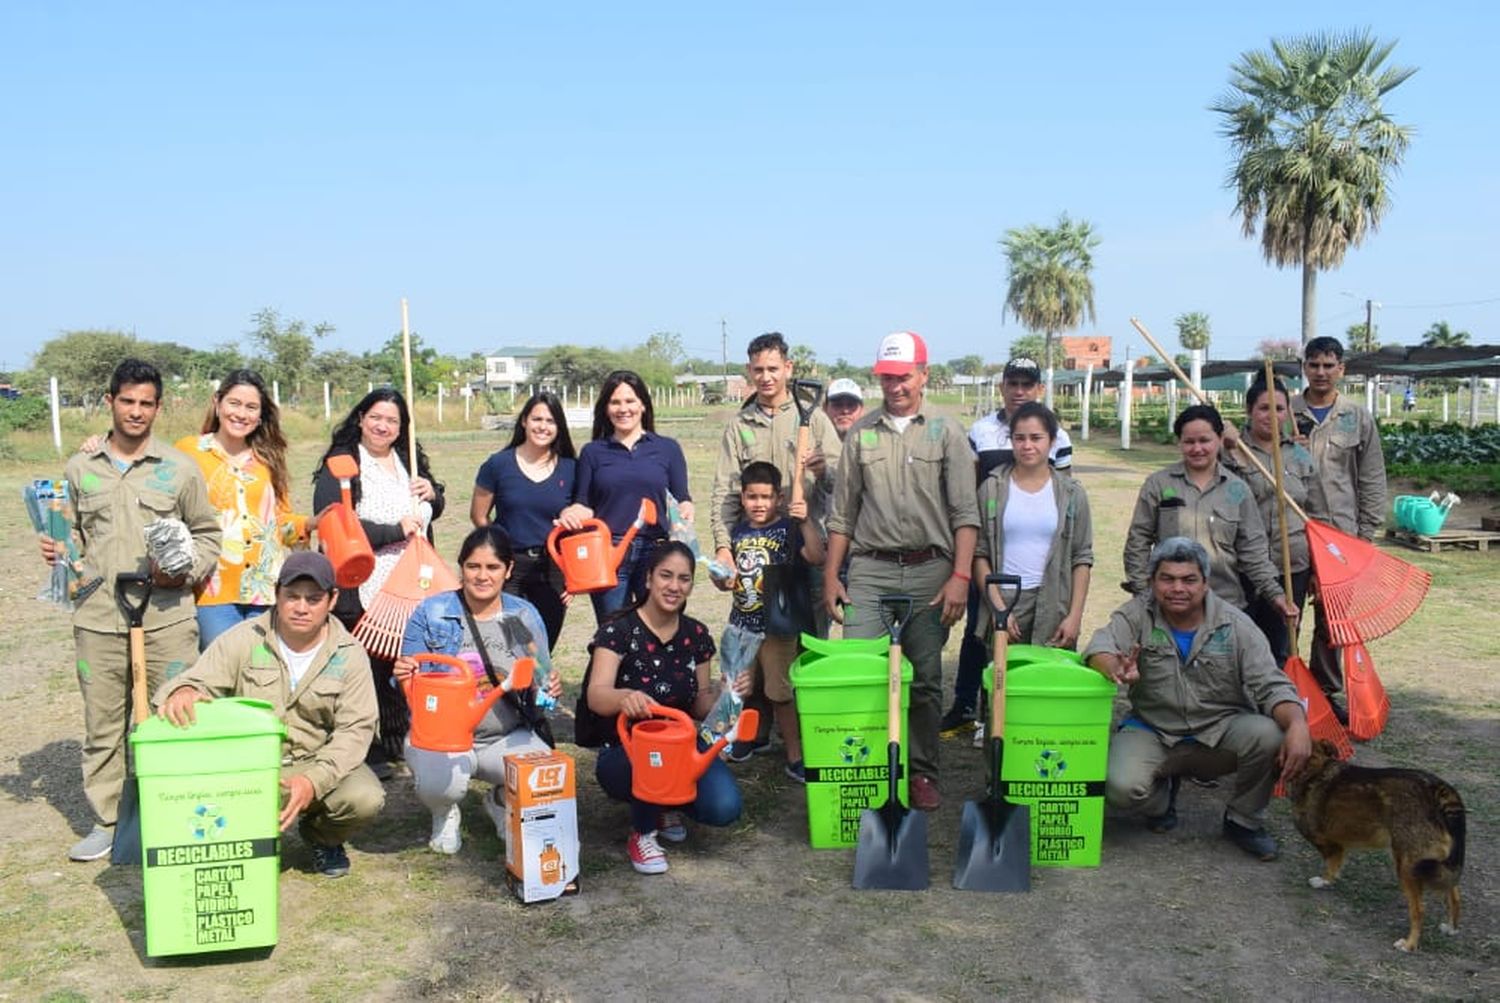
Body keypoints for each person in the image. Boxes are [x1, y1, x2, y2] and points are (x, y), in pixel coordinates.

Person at [40, 358, 220, 862]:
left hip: (166, 617)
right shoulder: (81, 467)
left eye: (146, 403)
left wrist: (183, 570)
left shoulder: (179, 470)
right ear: (110, 402)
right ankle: (110, 820)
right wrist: (57, 550)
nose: (136, 412)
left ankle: (180, 814)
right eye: (127, 401)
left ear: (158, 407)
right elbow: (68, 534)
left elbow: (207, 534)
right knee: (103, 724)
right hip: (98, 618)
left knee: (177, 717)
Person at [154, 552, 384, 878]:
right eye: (292, 597)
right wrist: (183, 691)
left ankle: (321, 837)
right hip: (250, 768)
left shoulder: (350, 654)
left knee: (365, 797)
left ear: (332, 600)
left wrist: (312, 781)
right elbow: (194, 679)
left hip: (314, 763)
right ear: (276, 594)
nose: (301, 608)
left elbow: (356, 731)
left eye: (313, 599)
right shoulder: (245, 638)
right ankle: (246, 837)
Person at [825, 331, 979, 812]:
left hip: (931, 571)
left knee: (927, 678)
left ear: (924, 374)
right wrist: (833, 575)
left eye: (904, 377)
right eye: (887, 378)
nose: (895, 386)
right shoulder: (861, 433)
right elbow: (842, 515)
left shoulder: (947, 432)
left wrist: (960, 576)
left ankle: (922, 771)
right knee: (862, 671)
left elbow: (965, 514)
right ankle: (868, 768)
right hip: (870, 571)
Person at [1085, 537, 1310, 860]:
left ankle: (1243, 820)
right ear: (1152, 582)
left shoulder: (1236, 625)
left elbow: (1272, 684)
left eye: (1189, 580)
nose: (1178, 588)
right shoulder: (1136, 614)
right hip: (1153, 729)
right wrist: (1113, 665)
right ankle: (1161, 798)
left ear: (1205, 584)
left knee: (1272, 734)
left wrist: (1298, 723)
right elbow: (1099, 646)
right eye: (1167, 579)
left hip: (1218, 732)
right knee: (1118, 786)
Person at [395, 526, 563, 855]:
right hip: (444, 739)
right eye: (473, 566)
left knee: (544, 774)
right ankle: (444, 812)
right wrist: (405, 675)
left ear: (508, 570)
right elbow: (411, 688)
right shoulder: (432, 612)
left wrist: (550, 689)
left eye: (492, 567)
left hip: (504, 735)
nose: (482, 576)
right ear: (461, 568)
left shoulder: (522, 615)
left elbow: (543, 685)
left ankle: (501, 800)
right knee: (437, 782)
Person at [586, 542, 748, 874]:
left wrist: (725, 692)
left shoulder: (697, 635)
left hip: (682, 746)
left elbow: (700, 703)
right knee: (651, 760)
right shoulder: (618, 630)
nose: (674, 586)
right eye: (666, 576)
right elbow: (596, 696)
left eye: (684, 579)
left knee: (724, 807)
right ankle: (642, 832)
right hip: (626, 749)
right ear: (648, 578)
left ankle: (663, 802)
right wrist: (624, 698)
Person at [312, 388, 446, 778]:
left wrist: (433, 496)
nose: (383, 426)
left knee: (404, 660)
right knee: (366, 665)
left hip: (411, 579)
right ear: (360, 417)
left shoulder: (409, 461)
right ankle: (365, 748)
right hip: (363, 581)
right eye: (376, 417)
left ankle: (399, 737)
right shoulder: (343, 463)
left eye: (392, 421)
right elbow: (332, 523)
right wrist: (391, 529)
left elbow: (430, 509)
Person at [942, 357, 1074, 734]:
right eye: (1012, 383)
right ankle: (970, 705)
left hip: (1034, 554)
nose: (1019, 391)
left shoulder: (1058, 437)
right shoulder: (981, 431)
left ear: (1038, 389)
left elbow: (1061, 497)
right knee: (978, 631)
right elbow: (967, 487)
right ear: (1001, 387)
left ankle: (1027, 714)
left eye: (1027, 384)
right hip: (988, 547)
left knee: (1036, 637)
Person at [1122, 404, 1296, 624]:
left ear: (1220, 439)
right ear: (1179, 443)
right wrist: (1143, 593)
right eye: (1189, 442)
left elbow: (1254, 551)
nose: (1197, 449)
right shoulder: (1157, 485)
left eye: (1204, 441)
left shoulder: (1237, 490)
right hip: (1168, 609)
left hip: (1226, 607)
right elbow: (1137, 542)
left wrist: (1276, 594)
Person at [176, 369, 308, 648]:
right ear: (217, 403)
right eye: (234, 403)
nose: (241, 414)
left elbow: (281, 523)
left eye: (251, 407)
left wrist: (310, 524)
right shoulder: (189, 451)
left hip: (266, 590)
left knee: (263, 675)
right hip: (212, 589)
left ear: (260, 416)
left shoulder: (269, 458)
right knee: (222, 676)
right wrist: (102, 443)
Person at [1291, 337, 1388, 712]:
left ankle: (1326, 693)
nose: (1321, 372)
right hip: (1294, 534)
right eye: (1314, 365)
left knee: (1333, 622)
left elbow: (1372, 478)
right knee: (1288, 613)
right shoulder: (1285, 411)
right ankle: (1282, 691)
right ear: (1304, 368)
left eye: (1329, 365)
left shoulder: (1356, 416)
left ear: (1341, 369)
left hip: (1341, 538)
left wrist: (1364, 537)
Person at [559, 371, 691, 622]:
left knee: (660, 627)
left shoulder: (667, 448)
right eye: (615, 402)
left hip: (656, 550)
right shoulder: (593, 452)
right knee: (613, 631)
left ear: (642, 404)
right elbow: (584, 504)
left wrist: (685, 509)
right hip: (608, 552)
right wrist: (571, 513)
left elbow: (681, 498)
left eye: (630, 401)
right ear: (606, 409)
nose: (623, 409)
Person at [724, 462, 825, 780]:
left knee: (780, 692)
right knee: (743, 687)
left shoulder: (787, 529)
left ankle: (795, 754)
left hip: (776, 627)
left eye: (766, 497)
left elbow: (816, 555)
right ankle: (747, 737)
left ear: (778, 498)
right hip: (742, 622)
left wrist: (805, 520)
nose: (759, 504)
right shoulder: (737, 531)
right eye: (752, 497)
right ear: (742, 498)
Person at [971, 402, 1093, 650]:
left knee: (1048, 684)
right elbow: (979, 553)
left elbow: (1081, 557)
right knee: (1000, 684)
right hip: (1006, 600)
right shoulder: (991, 489)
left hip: (1054, 602)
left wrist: (1075, 616)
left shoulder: (1071, 494)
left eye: (1036, 438)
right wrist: (998, 608)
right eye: (1020, 438)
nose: (1027, 446)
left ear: (1052, 440)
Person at [470, 392, 577, 648]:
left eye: (550, 421)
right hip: (509, 570)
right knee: (513, 644)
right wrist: (497, 552)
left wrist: (573, 576)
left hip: (552, 570)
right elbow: (478, 515)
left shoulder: (572, 468)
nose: (542, 426)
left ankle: (538, 688)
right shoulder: (498, 464)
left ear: (559, 426)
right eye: (536, 419)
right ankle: (513, 688)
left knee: (542, 645)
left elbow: (580, 523)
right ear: (524, 422)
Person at [1222, 374, 1316, 667]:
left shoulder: (1300, 453)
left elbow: (1316, 513)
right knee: (1242, 643)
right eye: (1264, 408)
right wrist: (1227, 444)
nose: (1272, 416)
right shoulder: (1230, 451)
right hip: (1244, 568)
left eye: (1279, 408)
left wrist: (1317, 568)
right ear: (1249, 411)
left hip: (1293, 567)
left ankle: (1282, 707)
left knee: (1284, 644)